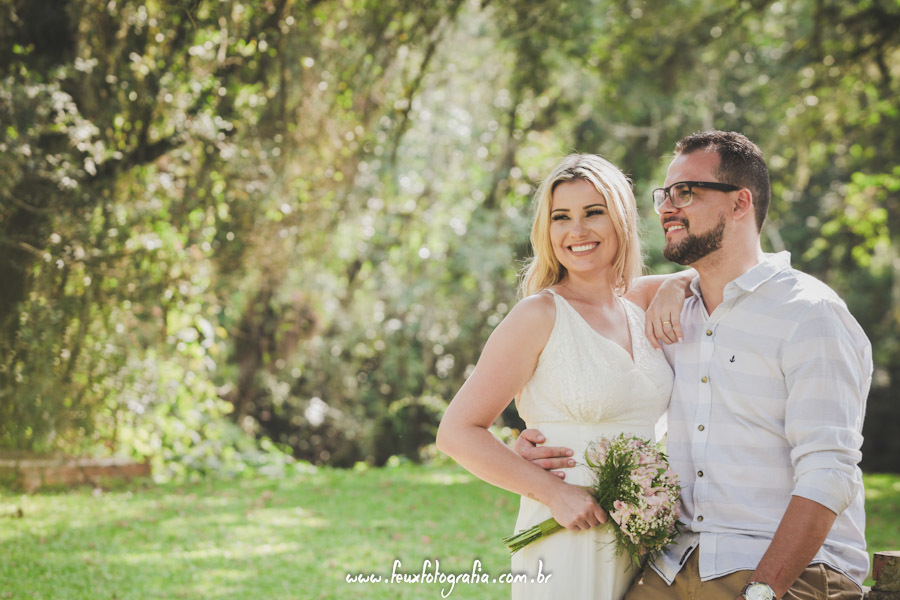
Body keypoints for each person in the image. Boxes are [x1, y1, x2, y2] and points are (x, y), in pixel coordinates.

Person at [516, 131, 872, 600]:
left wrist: (763, 591)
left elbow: (829, 472)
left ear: (740, 203)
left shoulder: (809, 315)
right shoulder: (671, 314)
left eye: (685, 192)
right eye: (664, 194)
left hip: (786, 568)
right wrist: (540, 441)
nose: (666, 207)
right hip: (675, 564)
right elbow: (593, 335)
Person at [436, 153, 693, 600]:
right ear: (546, 229)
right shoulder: (538, 314)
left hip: (644, 537)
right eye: (561, 217)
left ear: (621, 220)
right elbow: (456, 432)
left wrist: (677, 283)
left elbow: (730, 270)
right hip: (569, 529)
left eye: (593, 212)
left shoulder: (637, 306)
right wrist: (553, 494)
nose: (577, 230)